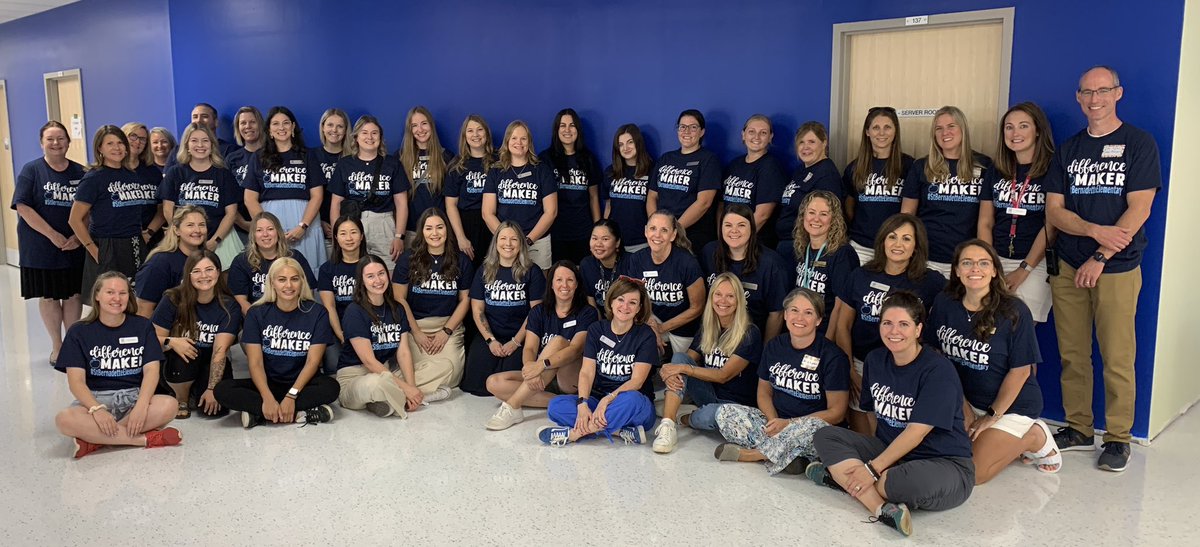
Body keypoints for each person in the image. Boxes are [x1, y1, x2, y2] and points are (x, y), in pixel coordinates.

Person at [1045, 65, 1160, 472]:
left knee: (1117, 355)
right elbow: (1055, 211)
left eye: (1103, 91)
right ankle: (1078, 427)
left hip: (1117, 267)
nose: (1095, 99)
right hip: (1068, 266)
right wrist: (1093, 232)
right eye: (1087, 93)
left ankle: (1117, 437)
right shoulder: (1069, 148)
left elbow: (1140, 207)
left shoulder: (1138, 143)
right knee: (1073, 353)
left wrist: (1101, 255)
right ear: (1078, 98)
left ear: (1118, 93)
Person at [809, 291, 975, 537]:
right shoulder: (876, 360)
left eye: (904, 324)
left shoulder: (938, 370)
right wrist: (876, 459)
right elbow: (872, 414)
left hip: (944, 464)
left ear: (918, 330)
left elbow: (916, 433)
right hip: (891, 452)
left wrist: (872, 469)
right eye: (887, 323)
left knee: (898, 482)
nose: (893, 331)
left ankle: (841, 479)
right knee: (825, 436)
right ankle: (881, 508)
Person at [927, 240, 1060, 483]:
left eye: (983, 263)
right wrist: (962, 405)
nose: (974, 269)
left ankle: (1034, 436)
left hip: (1009, 406)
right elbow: (936, 354)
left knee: (973, 474)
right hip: (964, 400)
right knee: (936, 451)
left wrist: (991, 416)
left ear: (994, 270)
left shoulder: (1014, 310)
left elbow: (1020, 373)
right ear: (956, 270)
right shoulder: (945, 303)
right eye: (967, 263)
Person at [712, 288, 849, 473]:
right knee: (725, 413)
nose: (799, 318)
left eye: (808, 313)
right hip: (777, 420)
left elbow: (837, 412)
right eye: (794, 310)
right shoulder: (774, 346)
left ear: (818, 320)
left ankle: (754, 455)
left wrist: (790, 424)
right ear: (785, 315)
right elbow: (763, 392)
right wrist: (773, 420)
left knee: (815, 428)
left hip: (808, 427)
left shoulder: (832, 356)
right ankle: (791, 457)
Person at [831, 214, 946, 434]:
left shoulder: (931, 282)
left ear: (916, 246)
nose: (898, 244)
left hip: (906, 367)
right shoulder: (861, 275)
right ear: (882, 240)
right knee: (865, 435)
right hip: (861, 363)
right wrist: (850, 369)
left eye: (906, 239)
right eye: (892, 237)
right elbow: (843, 326)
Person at [53, 272, 181, 458]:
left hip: (134, 397)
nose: (117, 298)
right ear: (97, 295)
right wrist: (96, 410)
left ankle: (95, 440)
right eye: (110, 292)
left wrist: (141, 406)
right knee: (64, 420)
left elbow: (152, 371)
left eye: (123, 293)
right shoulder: (79, 332)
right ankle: (142, 440)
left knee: (169, 405)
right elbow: (76, 382)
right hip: (95, 399)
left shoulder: (142, 326)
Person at [214, 258, 339, 428]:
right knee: (222, 390)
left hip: (303, 384)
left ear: (302, 282)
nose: (289, 285)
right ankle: (300, 412)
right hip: (268, 383)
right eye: (282, 279)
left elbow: (313, 362)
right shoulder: (256, 313)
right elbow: (255, 363)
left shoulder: (317, 313)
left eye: (294, 279)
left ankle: (260, 414)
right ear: (272, 282)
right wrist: (266, 397)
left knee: (331, 387)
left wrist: (291, 396)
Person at [538, 277, 657, 446]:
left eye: (632, 302)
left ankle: (575, 434)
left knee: (633, 400)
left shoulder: (645, 335)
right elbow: (586, 372)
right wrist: (583, 403)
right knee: (556, 406)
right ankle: (617, 431)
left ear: (639, 308)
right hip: (598, 401)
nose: (625, 306)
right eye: (620, 299)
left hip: (631, 404)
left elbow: (637, 381)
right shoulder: (596, 330)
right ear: (611, 302)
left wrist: (607, 400)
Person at [653, 273, 763, 454]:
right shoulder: (709, 326)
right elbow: (686, 360)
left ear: (739, 300)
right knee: (678, 358)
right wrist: (671, 370)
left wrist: (682, 368)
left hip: (731, 405)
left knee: (709, 414)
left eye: (730, 296)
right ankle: (667, 426)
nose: (723, 301)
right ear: (711, 297)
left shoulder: (749, 333)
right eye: (718, 294)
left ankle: (684, 416)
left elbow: (723, 375)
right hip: (707, 393)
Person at [485, 260, 599, 430]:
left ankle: (513, 406)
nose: (564, 285)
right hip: (544, 377)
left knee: (558, 342)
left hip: (570, 379)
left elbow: (575, 350)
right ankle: (562, 403)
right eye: (559, 280)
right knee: (493, 382)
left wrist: (541, 365)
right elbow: (530, 347)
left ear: (577, 284)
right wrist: (530, 368)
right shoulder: (539, 311)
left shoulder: (587, 312)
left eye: (570, 280)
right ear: (551, 284)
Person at [337, 254, 451, 418]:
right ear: (361, 281)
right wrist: (406, 388)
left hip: (386, 372)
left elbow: (403, 352)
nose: (378, 280)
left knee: (444, 366)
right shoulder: (354, 312)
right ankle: (416, 396)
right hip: (356, 378)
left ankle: (394, 400)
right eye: (370, 276)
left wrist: (410, 386)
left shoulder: (397, 309)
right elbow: (369, 362)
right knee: (378, 383)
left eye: (381, 273)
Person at [12, 121, 86, 366]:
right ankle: (57, 346)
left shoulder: (81, 172)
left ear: (68, 141)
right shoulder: (31, 170)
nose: (56, 144)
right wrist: (52, 234)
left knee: (73, 294)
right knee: (50, 296)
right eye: (50, 139)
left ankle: (73, 345)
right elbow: (23, 206)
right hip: (41, 245)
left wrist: (80, 236)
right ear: (42, 142)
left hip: (73, 245)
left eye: (61, 138)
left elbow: (90, 208)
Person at [978, 102, 1056, 324]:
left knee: (1019, 332)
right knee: (991, 330)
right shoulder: (997, 169)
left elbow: (1051, 225)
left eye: (1023, 126)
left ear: (1037, 131)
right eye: (1009, 127)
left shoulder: (1052, 168)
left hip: (1034, 262)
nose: (1015, 133)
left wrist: (1024, 269)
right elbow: (985, 221)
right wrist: (989, 263)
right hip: (996, 259)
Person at [901, 106, 994, 277]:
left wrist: (983, 260)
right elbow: (907, 215)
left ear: (963, 129)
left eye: (951, 126)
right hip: (926, 259)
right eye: (939, 128)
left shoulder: (984, 165)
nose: (945, 132)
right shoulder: (921, 166)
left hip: (966, 260)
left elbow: (985, 221)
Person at [151, 250, 242, 419]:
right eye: (197, 271)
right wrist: (171, 342)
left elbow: (220, 351)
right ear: (189, 274)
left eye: (209, 269)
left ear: (218, 271)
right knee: (183, 353)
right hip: (177, 364)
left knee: (216, 409)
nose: (204, 276)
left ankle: (197, 393)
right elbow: (151, 341)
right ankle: (181, 399)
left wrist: (212, 388)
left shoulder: (229, 306)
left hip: (209, 363)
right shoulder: (173, 298)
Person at [393, 208, 473, 395]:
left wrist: (446, 331)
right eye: (429, 228)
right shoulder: (408, 259)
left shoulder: (461, 260)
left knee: (453, 374)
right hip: (416, 325)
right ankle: (415, 391)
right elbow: (399, 299)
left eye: (439, 227)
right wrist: (417, 332)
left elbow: (465, 300)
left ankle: (396, 389)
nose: (435, 233)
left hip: (448, 326)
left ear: (447, 230)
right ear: (422, 232)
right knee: (415, 367)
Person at [463, 221, 546, 395]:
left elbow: (536, 312)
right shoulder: (484, 270)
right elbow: (477, 310)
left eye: (514, 239)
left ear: (521, 244)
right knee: (476, 384)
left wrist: (516, 342)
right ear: (495, 242)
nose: (508, 244)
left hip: (521, 335)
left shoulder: (533, 272)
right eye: (503, 238)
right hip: (491, 334)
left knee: (510, 379)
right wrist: (490, 340)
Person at [69, 125, 153, 295]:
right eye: (110, 144)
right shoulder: (94, 178)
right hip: (107, 245)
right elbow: (75, 219)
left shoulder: (131, 174)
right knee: (108, 299)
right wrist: (92, 248)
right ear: (99, 148)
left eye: (121, 143)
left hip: (134, 244)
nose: (117, 148)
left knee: (133, 296)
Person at [244, 106, 327, 268]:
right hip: (271, 220)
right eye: (275, 124)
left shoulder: (308, 156)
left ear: (293, 127)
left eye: (286, 123)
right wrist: (267, 228)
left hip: (304, 223)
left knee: (307, 271)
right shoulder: (258, 157)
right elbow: (249, 198)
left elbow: (317, 195)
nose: (281, 128)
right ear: (269, 130)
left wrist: (303, 226)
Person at [329, 115, 409, 271]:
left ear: (380, 137)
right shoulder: (345, 164)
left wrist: (399, 236)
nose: (370, 137)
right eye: (364, 132)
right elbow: (335, 204)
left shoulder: (392, 164)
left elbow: (402, 204)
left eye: (374, 133)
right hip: (352, 224)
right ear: (356, 137)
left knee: (387, 270)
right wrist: (336, 234)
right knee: (353, 270)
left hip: (384, 223)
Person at [619, 210, 706, 355]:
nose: (657, 235)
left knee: (679, 367)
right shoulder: (637, 260)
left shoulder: (687, 262)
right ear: (646, 231)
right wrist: (651, 326)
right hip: (651, 319)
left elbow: (697, 307)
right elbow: (634, 298)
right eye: (653, 228)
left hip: (684, 326)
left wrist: (662, 328)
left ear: (673, 235)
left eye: (664, 230)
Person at [699, 204, 789, 341]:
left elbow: (776, 314)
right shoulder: (709, 252)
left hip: (751, 340)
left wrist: (765, 353)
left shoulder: (771, 264)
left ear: (752, 229)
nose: (734, 231)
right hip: (713, 336)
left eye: (741, 225)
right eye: (728, 225)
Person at [160, 122, 243, 267]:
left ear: (212, 145)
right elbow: (168, 210)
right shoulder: (175, 172)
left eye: (205, 140)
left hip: (220, 241)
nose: (200, 145)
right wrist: (183, 235)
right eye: (194, 140)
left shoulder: (223, 174)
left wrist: (215, 241)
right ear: (186, 145)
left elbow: (231, 213)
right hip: (184, 242)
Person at [780, 190, 860, 334]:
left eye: (823, 214)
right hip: (800, 328)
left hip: (824, 332)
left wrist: (827, 343)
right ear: (803, 215)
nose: (816, 219)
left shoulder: (843, 254)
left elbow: (840, 306)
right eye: (811, 212)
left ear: (834, 219)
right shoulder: (801, 248)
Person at [482, 120, 558, 270]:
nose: (519, 142)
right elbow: (487, 213)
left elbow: (551, 211)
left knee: (539, 289)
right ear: (507, 141)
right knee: (508, 287)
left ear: (529, 142)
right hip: (505, 245)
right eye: (514, 138)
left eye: (523, 138)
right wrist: (507, 240)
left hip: (537, 242)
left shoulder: (542, 170)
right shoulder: (496, 171)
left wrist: (527, 241)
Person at [843, 107, 913, 264]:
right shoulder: (854, 167)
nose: (881, 133)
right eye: (876, 127)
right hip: (861, 246)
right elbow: (849, 206)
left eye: (887, 127)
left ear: (895, 131)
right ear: (867, 132)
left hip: (896, 246)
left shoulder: (909, 166)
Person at [646, 109, 721, 251]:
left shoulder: (708, 160)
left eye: (693, 127)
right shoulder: (665, 159)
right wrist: (656, 228)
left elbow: (704, 202)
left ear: (702, 132)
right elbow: (652, 196)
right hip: (662, 237)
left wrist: (675, 230)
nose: (686, 131)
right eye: (682, 127)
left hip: (691, 236)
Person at [541, 108, 602, 265]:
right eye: (562, 125)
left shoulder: (588, 159)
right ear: (556, 130)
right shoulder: (546, 159)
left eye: (572, 125)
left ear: (578, 130)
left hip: (583, 232)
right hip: (555, 233)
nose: (567, 130)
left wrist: (597, 232)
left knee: (582, 278)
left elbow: (594, 197)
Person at [228, 212, 317, 315]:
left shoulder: (295, 257)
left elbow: (308, 292)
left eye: (270, 229)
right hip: (258, 318)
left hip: (293, 317)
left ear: (278, 232)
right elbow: (241, 301)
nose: (265, 234)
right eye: (259, 230)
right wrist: (257, 321)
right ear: (253, 235)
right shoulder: (241, 261)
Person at [776, 121, 843, 254]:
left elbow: (825, 219)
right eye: (801, 142)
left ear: (824, 143)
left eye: (811, 142)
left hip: (802, 247)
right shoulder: (800, 170)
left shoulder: (826, 174)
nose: (805, 147)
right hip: (786, 242)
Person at [721, 115, 787, 246]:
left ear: (770, 137)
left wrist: (738, 240)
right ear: (743, 135)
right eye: (751, 131)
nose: (756, 137)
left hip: (755, 241)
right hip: (730, 239)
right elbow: (721, 206)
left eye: (763, 133)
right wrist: (723, 236)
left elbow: (763, 215)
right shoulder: (734, 165)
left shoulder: (771, 167)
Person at [135, 206, 208, 318]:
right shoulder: (159, 263)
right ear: (176, 230)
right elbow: (143, 310)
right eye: (190, 225)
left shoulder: (207, 259)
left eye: (202, 225)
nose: (197, 230)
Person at [445, 114, 495, 267]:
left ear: (486, 133)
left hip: (494, 222)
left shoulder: (499, 161)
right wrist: (460, 237)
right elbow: (450, 205)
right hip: (467, 225)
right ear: (464, 136)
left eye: (480, 130)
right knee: (468, 271)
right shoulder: (457, 165)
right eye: (470, 131)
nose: (475, 135)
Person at [317, 215, 365, 374]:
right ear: (336, 237)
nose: (349, 238)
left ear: (362, 236)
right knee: (333, 366)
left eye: (354, 232)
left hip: (366, 327)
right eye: (343, 233)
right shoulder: (327, 269)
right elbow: (329, 306)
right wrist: (342, 335)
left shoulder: (372, 264)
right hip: (338, 327)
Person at [399, 106, 454, 242]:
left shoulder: (446, 157)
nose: (420, 129)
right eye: (414, 125)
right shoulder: (399, 158)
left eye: (424, 123)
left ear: (431, 126)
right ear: (410, 130)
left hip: (439, 231)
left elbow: (451, 201)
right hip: (411, 231)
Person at [602, 124, 654, 252]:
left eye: (630, 142)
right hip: (615, 241)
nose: (625, 148)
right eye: (621, 144)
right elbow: (609, 206)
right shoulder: (610, 172)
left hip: (642, 241)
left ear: (638, 143)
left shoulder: (652, 171)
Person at [310, 108, 352, 246]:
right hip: (315, 225)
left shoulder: (353, 159)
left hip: (349, 227)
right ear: (322, 127)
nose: (334, 130)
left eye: (340, 126)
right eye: (330, 125)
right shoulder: (311, 156)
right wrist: (318, 221)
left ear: (346, 130)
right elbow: (305, 194)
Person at [122, 122, 167, 246]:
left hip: (151, 238)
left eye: (142, 139)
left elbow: (162, 208)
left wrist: (149, 233)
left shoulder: (153, 172)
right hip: (120, 240)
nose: (137, 142)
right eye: (133, 136)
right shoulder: (112, 171)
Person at [165, 103, 239, 169]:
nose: (199, 120)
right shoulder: (178, 150)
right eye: (195, 117)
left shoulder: (229, 150)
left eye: (204, 116)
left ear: (216, 122)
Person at [579, 219, 623, 315]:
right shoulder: (586, 265)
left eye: (605, 239)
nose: (598, 244)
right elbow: (591, 301)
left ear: (617, 242)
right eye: (594, 238)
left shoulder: (631, 262)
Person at [225, 106, 266, 187]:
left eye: (253, 122)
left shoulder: (273, 154)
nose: (248, 126)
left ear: (261, 125)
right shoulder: (231, 158)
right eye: (243, 123)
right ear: (238, 128)